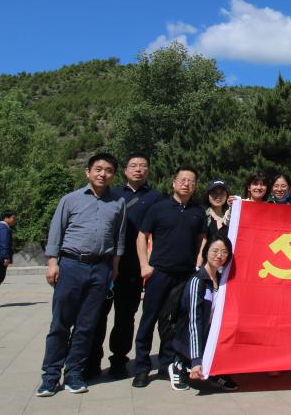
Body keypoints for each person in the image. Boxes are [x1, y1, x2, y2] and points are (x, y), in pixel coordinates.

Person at [37, 153, 127, 397]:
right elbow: (56, 232)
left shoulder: (118, 202)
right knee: (60, 324)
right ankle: (50, 376)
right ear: (88, 172)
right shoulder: (70, 199)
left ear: (113, 175)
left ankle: (74, 374)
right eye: (98, 169)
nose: (102, 174)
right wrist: (52, 262)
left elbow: (119, 237)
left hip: (101, 267)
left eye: (108, 170)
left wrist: (115, 266)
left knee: (87, 326)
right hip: (71, 265)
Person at [131, 167, 207, 388]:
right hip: (159, 273)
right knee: (149, 319)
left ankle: (167, 364)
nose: (186, 184)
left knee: (173, 322)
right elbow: (141, 236)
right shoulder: (159, 208)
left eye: (191, 181)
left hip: (184, 275)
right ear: (173, 183)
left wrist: (198, 261)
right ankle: (142, 368)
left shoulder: (198, 211)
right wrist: (144, 265)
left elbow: (203, 237)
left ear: (195, 186)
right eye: (182, 180)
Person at [88, 153, 162, 380]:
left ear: (148, 170)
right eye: (133, 165)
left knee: (125, 316)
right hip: (106, 265)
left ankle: (119, 360)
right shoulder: (112, 194)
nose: (138, 169)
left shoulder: (156, 198)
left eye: (143, 165)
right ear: (125, 171)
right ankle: (91, 361)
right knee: (97, 314)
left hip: (133, 267)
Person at [170, 237, 238, 392]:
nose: (219, 255)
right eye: (215, 251)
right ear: (206, 252)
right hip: (189, 333)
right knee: (196, 342)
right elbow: (194, 321)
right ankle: (179, 364)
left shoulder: (222, 280)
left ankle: (213, 370)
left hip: (209, 333)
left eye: (224, 252)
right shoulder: (197, 281)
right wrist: (196, 361)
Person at [196, 180, 232, 266]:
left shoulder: (231, 218)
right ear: (208, 195)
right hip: (205, 266)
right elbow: (200, 245)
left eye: (222, 193)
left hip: (225, 267)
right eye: (214, 193)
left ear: (227, 196)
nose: (218, 196)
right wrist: (198, 267)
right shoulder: (201, 216)